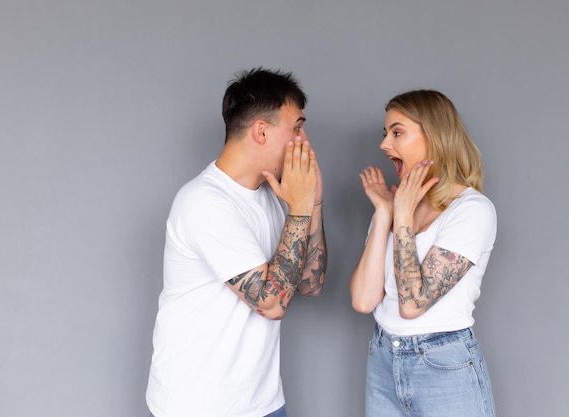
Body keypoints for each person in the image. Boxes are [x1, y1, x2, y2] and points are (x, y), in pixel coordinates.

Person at [146, 68, 327, 417]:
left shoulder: (276, 199)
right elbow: (271, 303)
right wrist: (301, 207)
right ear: (261, 131)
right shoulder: (204, 200)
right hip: (198, 407)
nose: (304, 141)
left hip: (263, 404)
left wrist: (313, 202)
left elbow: (310, 284)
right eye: (297, 128)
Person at [350, 90, 496, 417]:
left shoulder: (472, 211)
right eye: (386, 133)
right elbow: (363, 300)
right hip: (383, 356)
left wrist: (401, 215)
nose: (385, 144)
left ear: (435, 137)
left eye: (397, 132)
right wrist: (384, 214)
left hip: (443, 365)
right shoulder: (395, 206)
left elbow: (412, 304)